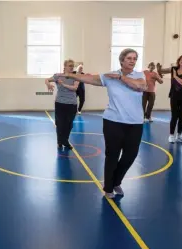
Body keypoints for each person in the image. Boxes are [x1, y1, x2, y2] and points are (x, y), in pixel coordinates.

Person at [56, 48, 147, 199]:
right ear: (122, 60)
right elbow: (90, 78)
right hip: (113, 121)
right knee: (112, 155)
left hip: (135, 122)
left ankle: (116, 180)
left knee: (130, 155)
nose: (132, 61)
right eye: (129, 58)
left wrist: (120, 78)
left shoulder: (139, 75)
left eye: (134, 58)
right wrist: (69, 74)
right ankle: (109, 187)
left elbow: (141, 87)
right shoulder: (109, 76)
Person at [157, 55, 182, 144]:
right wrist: (159, 69)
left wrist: (176, 77)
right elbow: (161, 70)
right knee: (174, 116)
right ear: (179, 61)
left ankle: (179, 135)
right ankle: (171, 135)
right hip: (174, 96)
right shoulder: (173, 68)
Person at [45, 59, 79, 149]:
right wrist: (48, 84)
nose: (71, 67)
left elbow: (75, 88)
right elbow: (47, 80)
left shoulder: (76, 77)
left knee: (69, 124)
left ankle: (65, 140)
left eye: (72, 66)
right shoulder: (58, 76)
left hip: (72, 104)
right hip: (60, 103)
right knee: (60, 123)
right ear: (65, 67)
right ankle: (60, 141)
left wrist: (63, 85)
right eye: (69, 65)